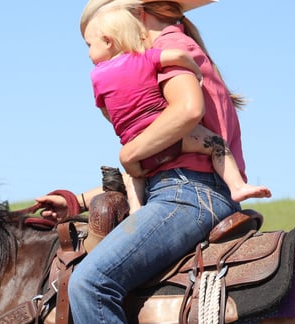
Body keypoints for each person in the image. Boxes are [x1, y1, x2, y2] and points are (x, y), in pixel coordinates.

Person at [37, 0, 256, 324]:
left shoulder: (172, 45)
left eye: (97, 39)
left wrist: (128, 152)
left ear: (130, 20)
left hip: (188, 195)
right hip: (179, 188)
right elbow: (157, 159)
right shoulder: (173, 50)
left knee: (91, 283)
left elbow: (187, 114)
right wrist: (79, 199)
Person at [85, 4, 271, 209]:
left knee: (125, 224)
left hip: (186, 186)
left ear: (138, 15)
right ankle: (238, 186)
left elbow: (188, 110)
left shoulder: (166, 44)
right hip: (191, 181)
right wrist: (77, 201)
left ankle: (137, 209)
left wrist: (129, 151)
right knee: (216, 144)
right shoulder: (158, 54)